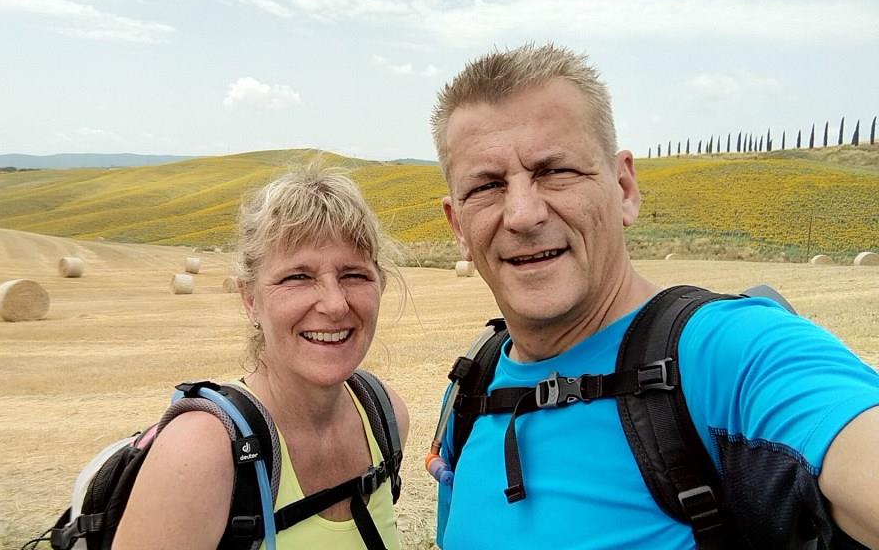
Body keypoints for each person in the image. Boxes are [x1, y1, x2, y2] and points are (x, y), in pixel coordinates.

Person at [430, 43, 879, 549]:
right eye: (487, 186)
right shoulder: (471, 388)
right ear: (458, 226)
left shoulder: (732, 355)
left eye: (555, 171)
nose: (523, 215)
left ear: (624, 188)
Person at [113, 165, 409, 550]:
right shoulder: (200, 453)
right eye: (297, 277)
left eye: (354, 275)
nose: (336, 305)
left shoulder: (386, 417)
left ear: (380, 285)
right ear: (250, 298)